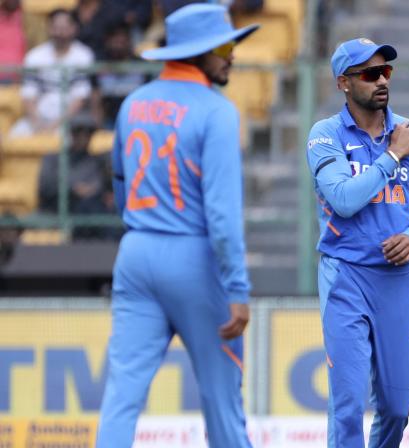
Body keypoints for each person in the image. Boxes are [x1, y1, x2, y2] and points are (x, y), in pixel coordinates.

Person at [97, 4, 258, 447]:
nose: (233, 55)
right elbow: (223, 217)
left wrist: (145, 225)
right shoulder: (217, 111)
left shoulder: (133, 103)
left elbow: (119, 179)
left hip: (136, 253)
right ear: (199, 52)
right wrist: (238, 288)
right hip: (194, 258)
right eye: (225, 46)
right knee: (221, 397)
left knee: (122, 396)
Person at [305, 38, 409, 447]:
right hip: (346, 276)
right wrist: (391, 156)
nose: (382, 80)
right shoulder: (325, 135)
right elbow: (344, 200)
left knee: (397, 407)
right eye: (370, 74)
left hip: (398, 281)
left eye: (386, 71)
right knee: (348, 404)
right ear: (344, 83)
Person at [11, 8, 94, 136]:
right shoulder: (34, 56)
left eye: (64, 28)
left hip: (70, 121)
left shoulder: (84, 56)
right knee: (15, 135)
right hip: (38, 120)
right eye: (55, 28)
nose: (59, 33)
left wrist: (55, 126)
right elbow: (28, 95)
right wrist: (38, 124)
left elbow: (80, 98)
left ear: (74, 28)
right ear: (48, 28)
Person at [37, 111, 114, 237]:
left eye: (88, 132)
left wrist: (95, 191)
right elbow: (44, 186)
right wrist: (73, 188)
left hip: (91, 217)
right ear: (71, 133)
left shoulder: (97, 161)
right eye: (78, 131)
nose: (83, 136)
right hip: (55, 212)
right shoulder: (53, 159)